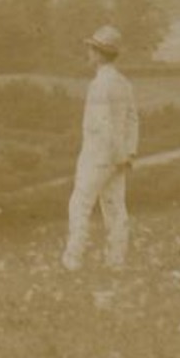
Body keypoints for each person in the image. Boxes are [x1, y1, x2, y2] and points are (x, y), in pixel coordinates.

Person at [62, 25, 139, 270]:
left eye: (90, 49)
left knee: (80, 204)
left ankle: (73, 260)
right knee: (115, 208)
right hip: (118, 157)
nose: (88, 53)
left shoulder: (99, 85)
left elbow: (103, 124)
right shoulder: (123, 83)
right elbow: (132, 119)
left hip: (98, 156)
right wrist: (128, 153)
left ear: (98, 53)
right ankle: (116, 261)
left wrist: (115, 153)